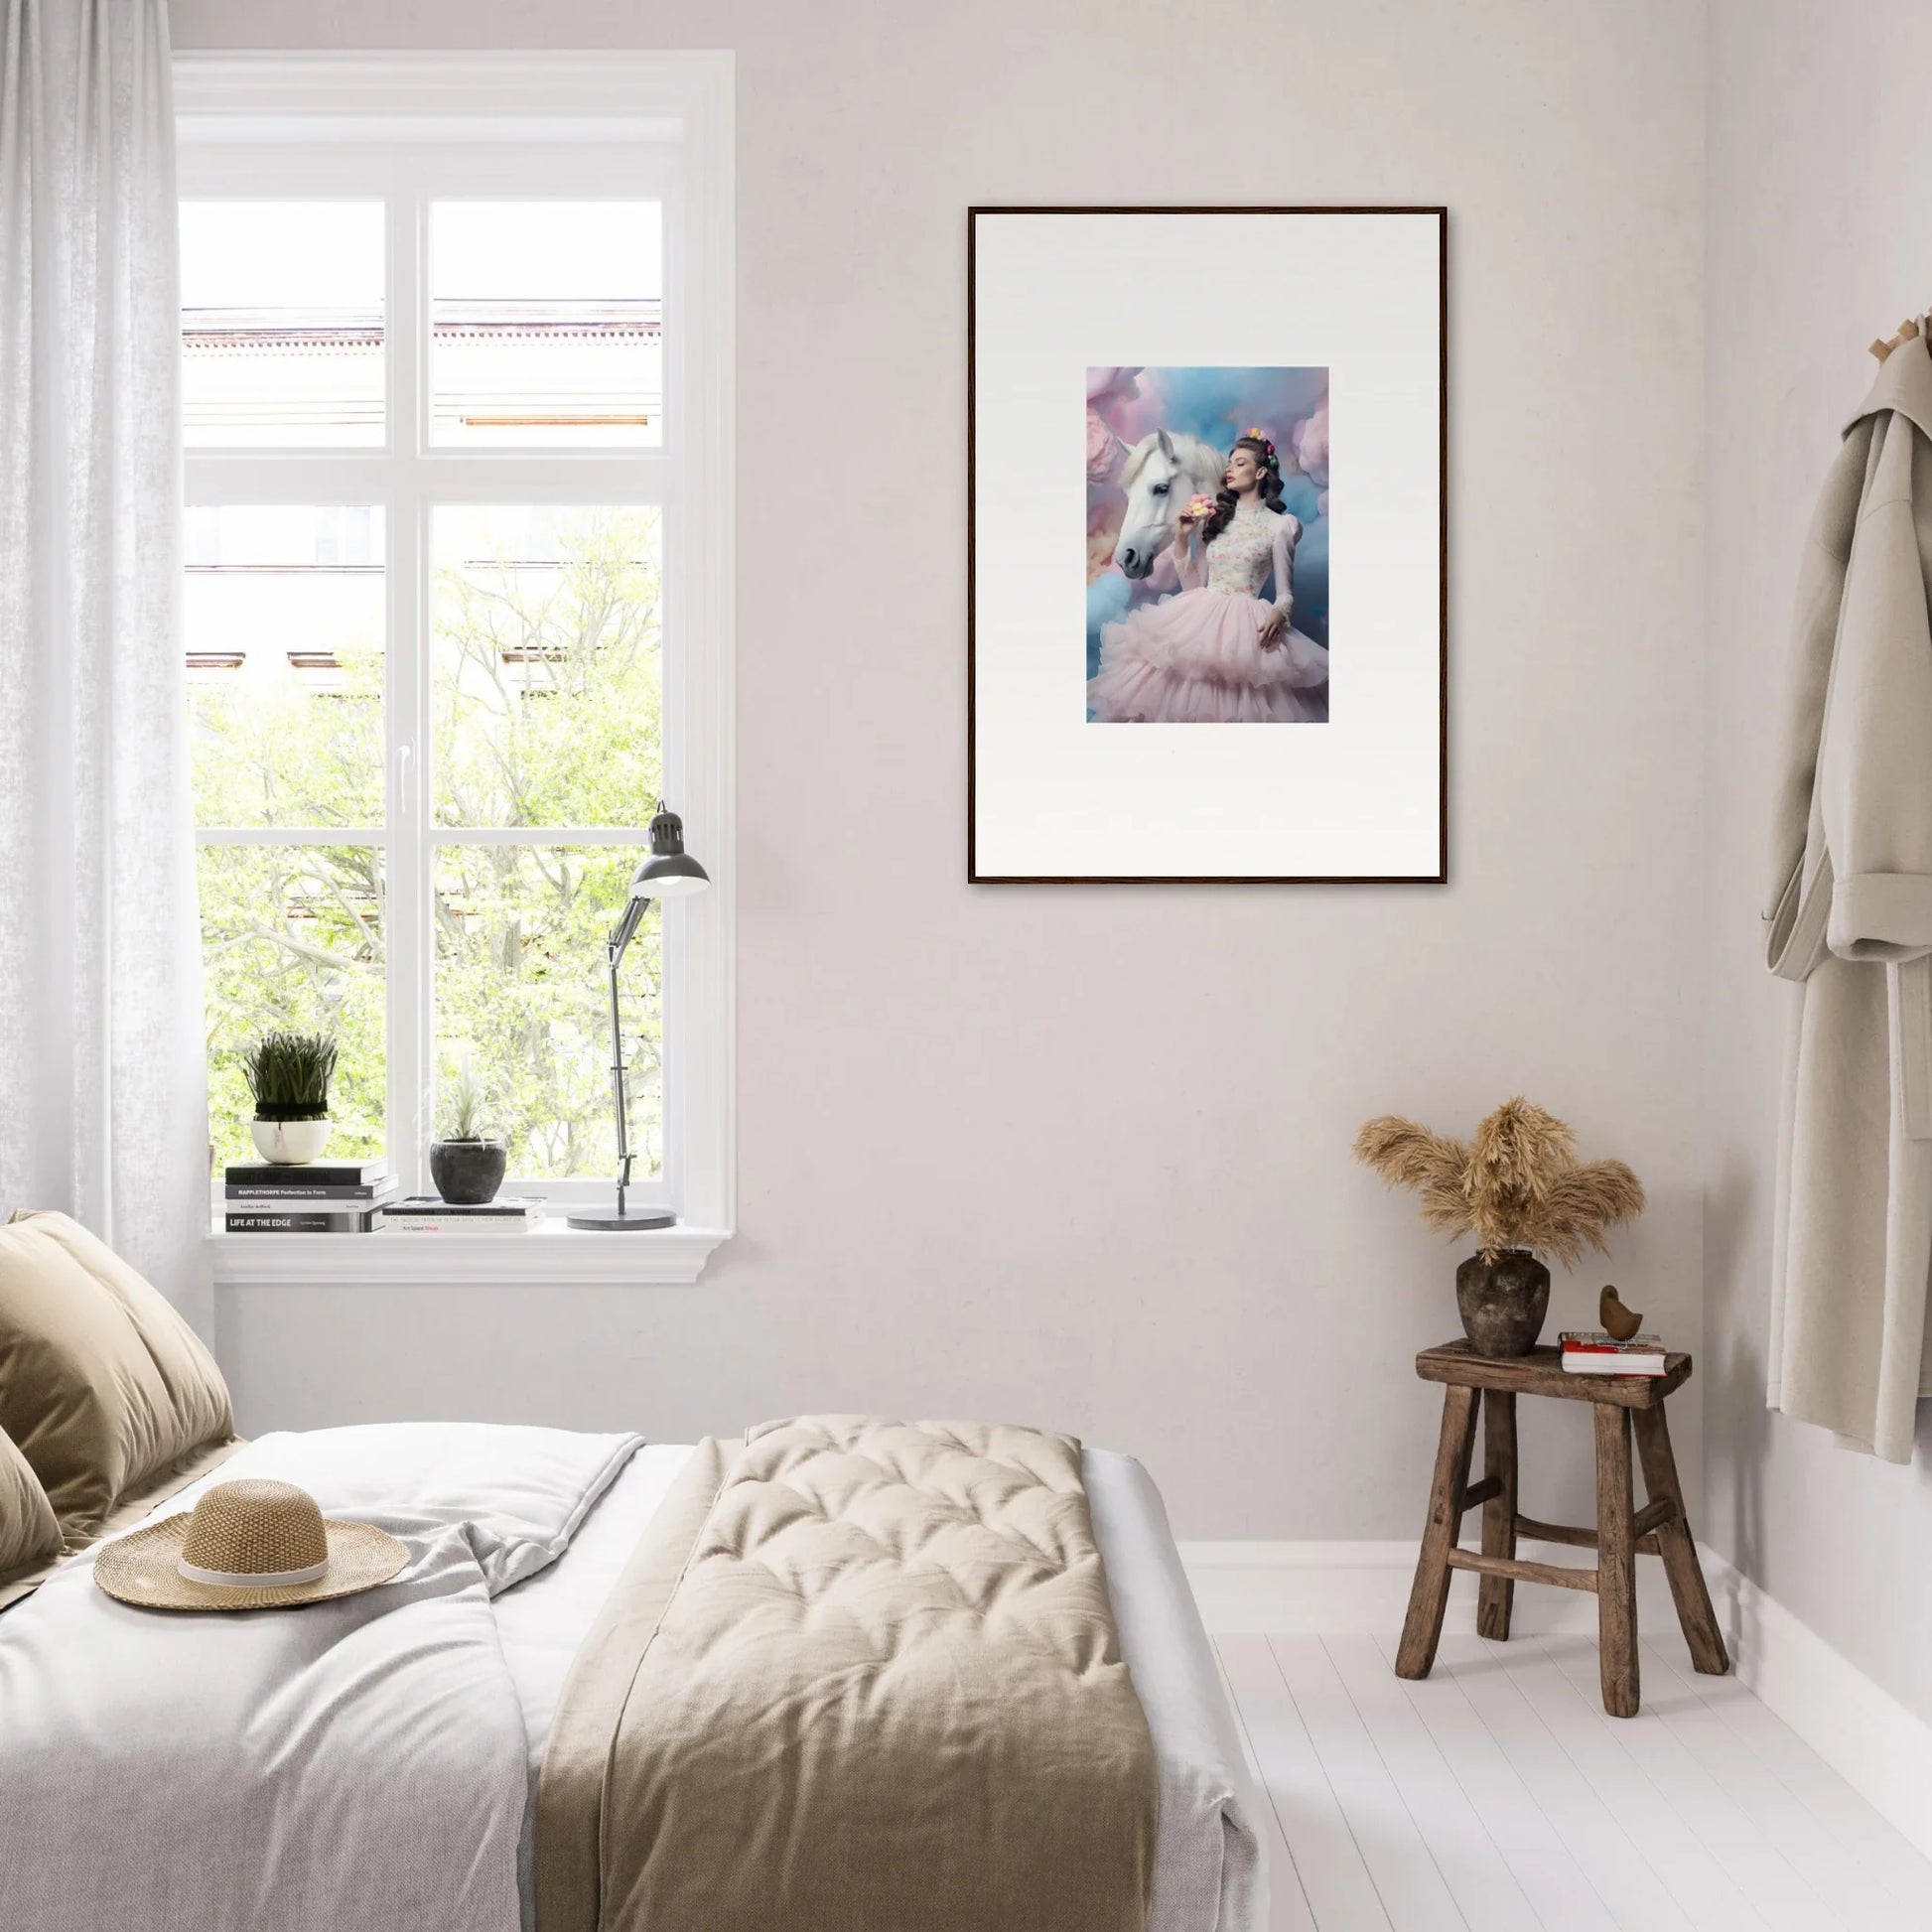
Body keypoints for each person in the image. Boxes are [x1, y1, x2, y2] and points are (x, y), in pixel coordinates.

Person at [1087, 429, 1329, 723]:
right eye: (1230, 462)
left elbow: (1285, 593)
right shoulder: (1215, 522)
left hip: (1247, 629)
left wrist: (1280, 613)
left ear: (1261, 472)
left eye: (1240, 463)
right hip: (1198, 620)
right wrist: (1181, 538)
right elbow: (1193, 587)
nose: (1230, 469)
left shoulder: (1281, 526)